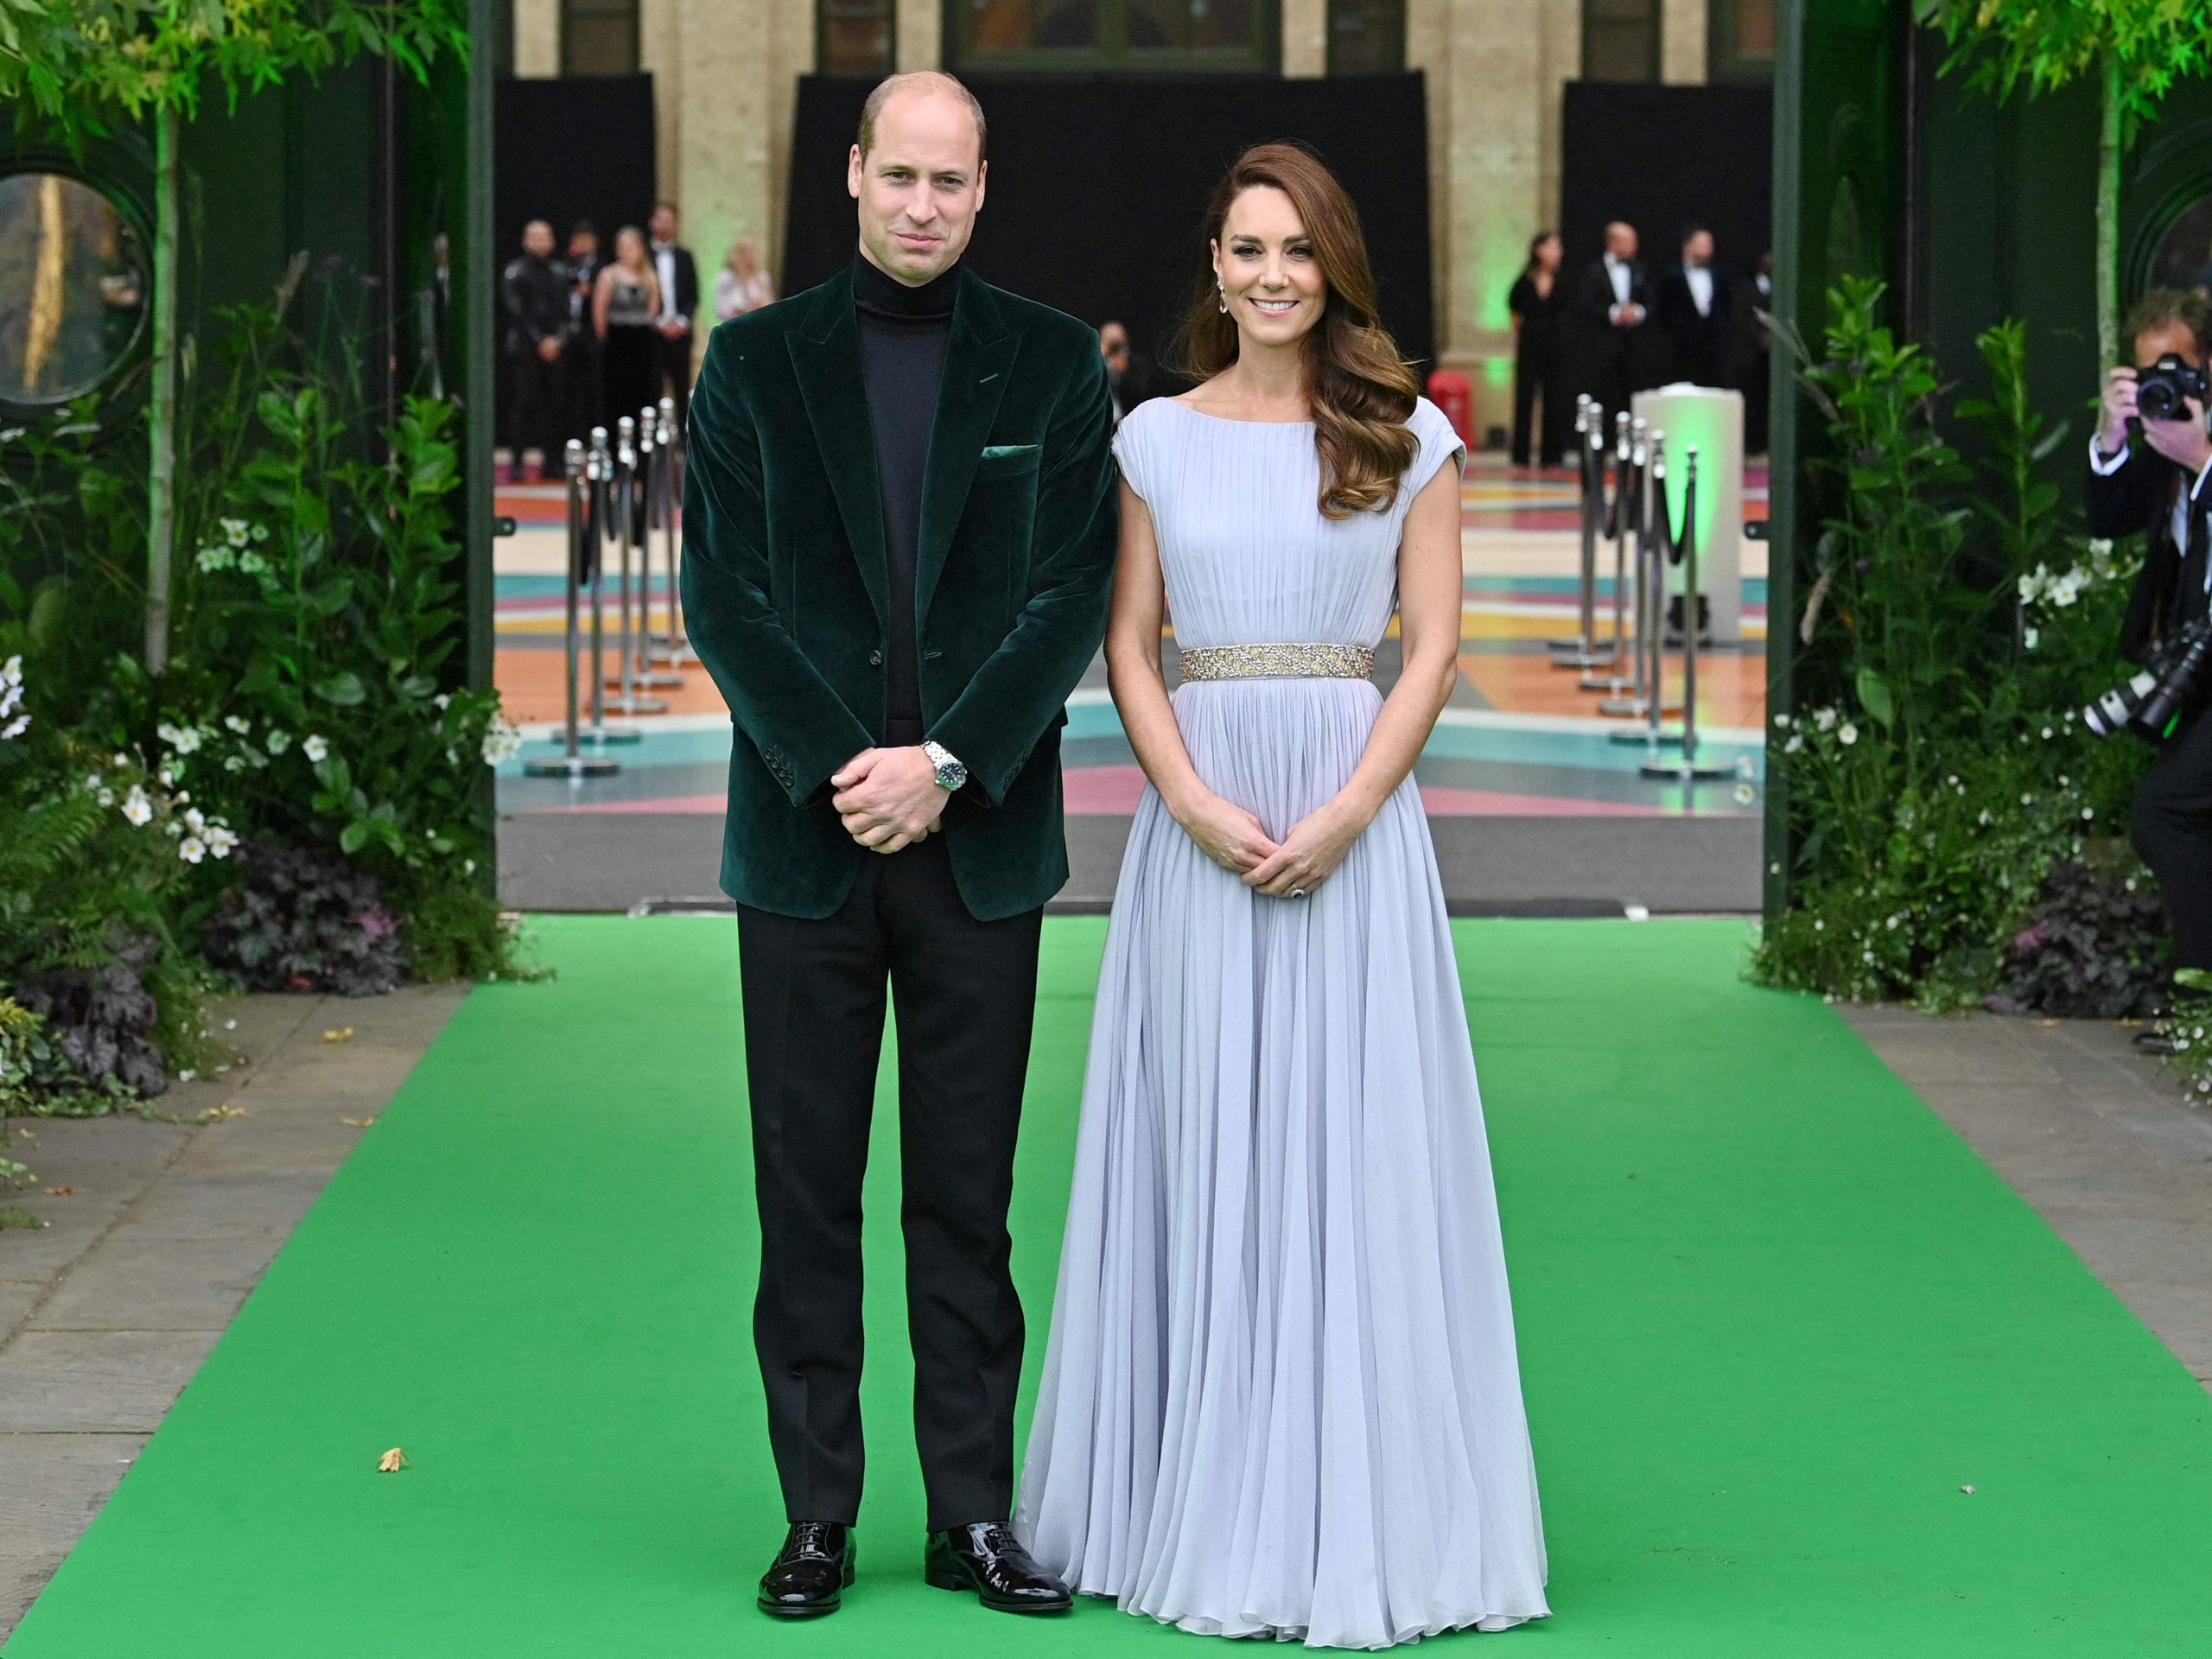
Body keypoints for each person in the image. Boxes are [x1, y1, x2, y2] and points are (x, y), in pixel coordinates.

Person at [1016, 141, 1551, 1648]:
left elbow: (1432, 646)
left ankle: (1349, 1512)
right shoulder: (1156, 441)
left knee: (1345, 1146)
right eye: (1246, 250)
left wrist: (1351, 810)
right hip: (1199, 833)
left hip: (1351, 820)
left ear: (1335, 269)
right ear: (1216, 267)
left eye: (1296, 252)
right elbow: (1130, 641)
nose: (1269, 276)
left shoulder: (1405, 439)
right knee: (1205, 1144)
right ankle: (1184, 1487)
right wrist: (1186, 799)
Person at [680, 69, 1117, 1621]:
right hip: (803, 850)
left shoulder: (1058, 367)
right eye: (900, 175)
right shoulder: (751, 363)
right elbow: (722, 596)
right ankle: (817, 1517)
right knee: (803, 1193)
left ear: (984, 190)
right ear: (851, 174)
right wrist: (842, 770)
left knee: (966, 1196)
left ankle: (973, 1516)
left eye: (952, 180)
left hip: (978, 845)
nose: (923, 204)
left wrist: (943, 764)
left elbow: (1071, 591)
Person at [2089, 287, 2212, 986]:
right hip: (2192, 664)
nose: (2163, 388)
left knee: (2164, 810)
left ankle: (2199, 990)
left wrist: (2202, 458)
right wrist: (2114, 434)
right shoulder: (2164, 439)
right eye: (2147, 376)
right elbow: (2106, 516)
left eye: (2176, 369)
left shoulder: (2190, 444)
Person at [499, 219, 570, 478]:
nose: (540, 243)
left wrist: (557, 340)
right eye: (535, 237)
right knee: (523, 404)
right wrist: (540, 340)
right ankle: (517, 461)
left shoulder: (560, 273)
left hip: (555, 350)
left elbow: (567, 314)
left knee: (555, 406)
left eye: (545, 237)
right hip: (525, 349)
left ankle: (552, 461)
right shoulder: (515, 272)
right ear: (525, 241)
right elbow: (516, 312)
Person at [1574, 219, 1657, 423]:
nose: (1634, 247)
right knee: (1602, 397)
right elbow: (1586, 305)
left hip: (1632, 348)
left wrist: (1636, 312)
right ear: (1612, 243)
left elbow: (1651, 302)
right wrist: (1615, 314)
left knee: (1629, 398)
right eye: (1629, 241)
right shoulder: (1593, 271)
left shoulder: (1639, 270)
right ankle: (1598, 449)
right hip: (1602, 348)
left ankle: (1628, 451)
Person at [1508, 229, 1568, 467]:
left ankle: (1551, 454)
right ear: (1539, 250)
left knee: (1553, 398)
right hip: (1530, 345)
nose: (1558, 252)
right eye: (1554, 247)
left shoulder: (1562, 281)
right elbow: (1513, 308)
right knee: (1525, 398)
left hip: (1554, 346)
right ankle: (1521, 453)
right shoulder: (1525, 280)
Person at [592, 225, 660, 431]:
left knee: (642, 394)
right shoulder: (608, 275)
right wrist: (606, 339)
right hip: (617, 341)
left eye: (632, 247)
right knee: (616, 394)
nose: (628, 251)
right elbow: (599, 311)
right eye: (624, 247)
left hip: (641, 342)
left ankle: (642, 451)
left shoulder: (650, 276)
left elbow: (653, 310)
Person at [1655, 224, 1732, 388]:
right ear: (1687, 246)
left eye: (1709, 244)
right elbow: (1664, 312)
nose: (1706, 248)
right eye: (1701, 244)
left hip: (1713, 353)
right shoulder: (1672, 278)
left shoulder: (1720, 276)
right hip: (1681, 351)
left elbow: (1726, 310)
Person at [648, 201, 700, 430]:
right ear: (652, 222)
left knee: (682, 388)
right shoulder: (644, 257)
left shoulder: (685, 256)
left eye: (670, 220)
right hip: (653, 334)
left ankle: (684, 440)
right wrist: (658, 322)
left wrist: (681, 321)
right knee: (653, 386)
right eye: (661, 219)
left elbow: (693, 295)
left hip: (680, 332)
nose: (665, 225)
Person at [564, 220, 607, 439]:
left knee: (595, 390)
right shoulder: (566, 266)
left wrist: (591, 292)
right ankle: (574, 437)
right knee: (571, 391)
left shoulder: (602, 268)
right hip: (569, 334)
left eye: (587, 240)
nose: (583, 244)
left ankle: (596, 438)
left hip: (592, 335)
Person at [1097, 319, 1155, 424]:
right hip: (1100, 420)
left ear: (1125, 339)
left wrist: (1124, 371)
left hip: (1128, 418)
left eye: (1116, 341)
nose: (1113, 346)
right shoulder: (1095, 361)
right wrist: (1098, 359)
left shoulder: (1137, 362)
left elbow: (1143, 391)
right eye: (1109, 340)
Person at [715, 235, 778, 321]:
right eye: (746, 251)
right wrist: (742, 309)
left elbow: (771, 305)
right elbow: (720, 309)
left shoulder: (762, 277)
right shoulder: (727, 277)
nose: (750, 255)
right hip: (734, 326)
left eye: (753, 250)